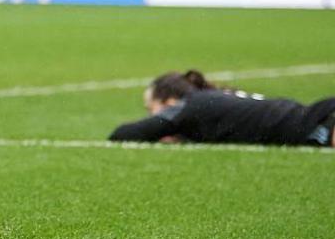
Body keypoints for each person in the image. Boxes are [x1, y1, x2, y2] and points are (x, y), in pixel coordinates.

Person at [109, 69, 335, 147]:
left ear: (169, 102)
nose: (152, 115)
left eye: (152, 108)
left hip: (313, 125)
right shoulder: (211, 100)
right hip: (315, 115)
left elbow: (122, 134)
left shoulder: (189, 106)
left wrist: (166, 130)